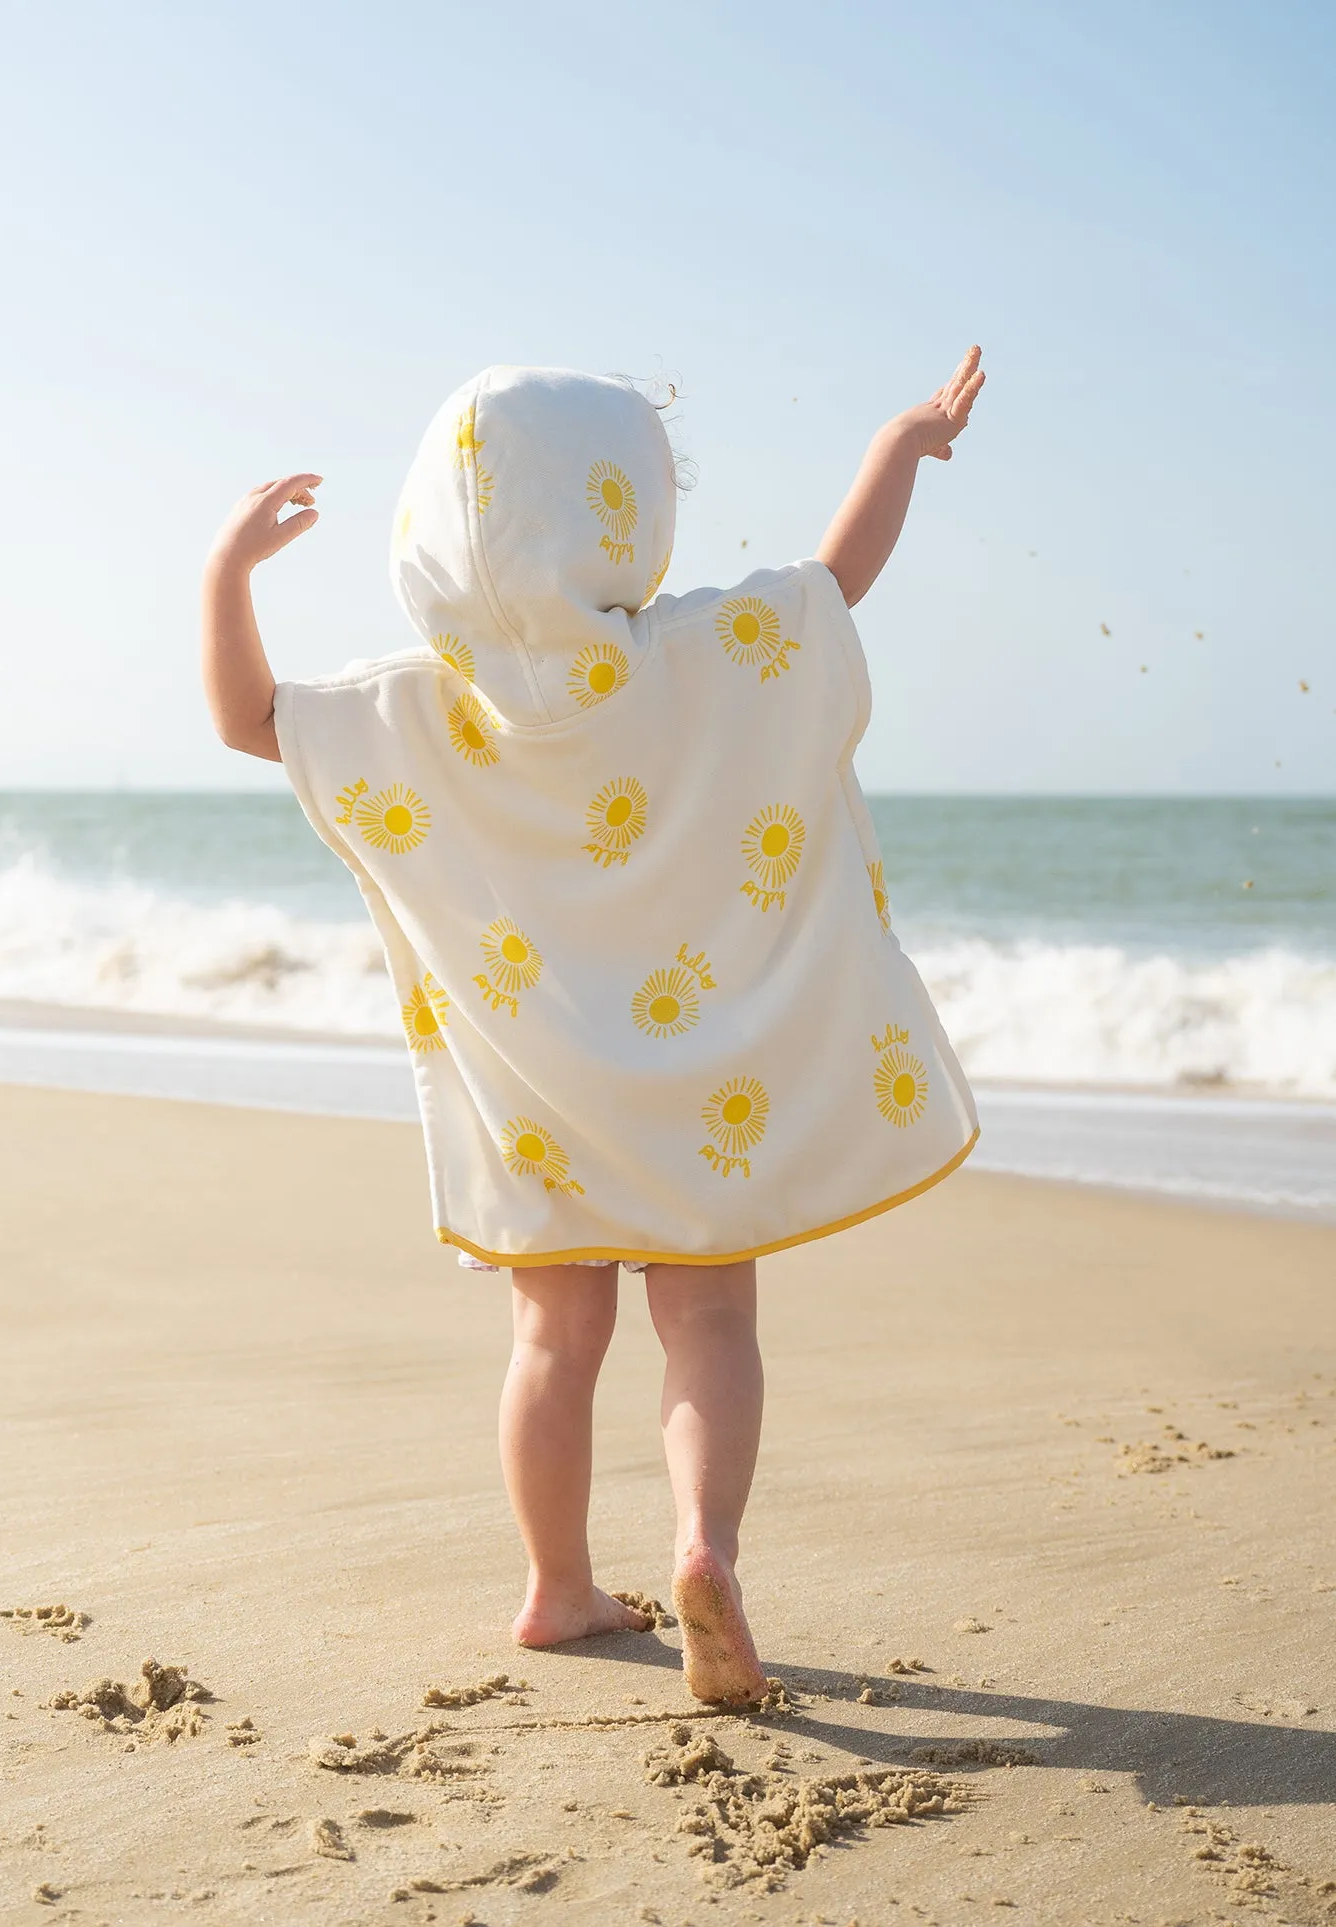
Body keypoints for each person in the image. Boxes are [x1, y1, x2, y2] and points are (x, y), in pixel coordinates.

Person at [201, 351, 986, 1703]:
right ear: (625, 514)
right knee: (713, 1326)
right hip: (697, 1096)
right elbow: (832, 582)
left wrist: (228, 573)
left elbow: (247, 719)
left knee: (552, 1344)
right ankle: (703, 1543)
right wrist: (898, 448)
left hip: (538, 1096)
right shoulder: (699, 656)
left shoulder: (412, 709)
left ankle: (559, 1586)